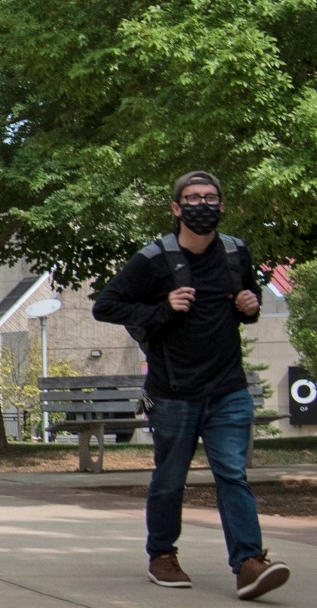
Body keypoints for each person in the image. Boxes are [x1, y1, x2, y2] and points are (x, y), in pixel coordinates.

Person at [92, 171, 290, 601]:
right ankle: (162, 554)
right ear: (177, 208)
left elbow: (245, 304)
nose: (203, 204)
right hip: (173, 391)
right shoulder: (154, 259)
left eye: (211, 197)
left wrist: (250, 307)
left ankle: (249, 563)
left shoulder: (236, 252)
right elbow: (105, 306)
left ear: (221, 206)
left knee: (233, 474)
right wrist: (163, 307)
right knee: (170, 478)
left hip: (228, 388)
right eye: (193, 198)